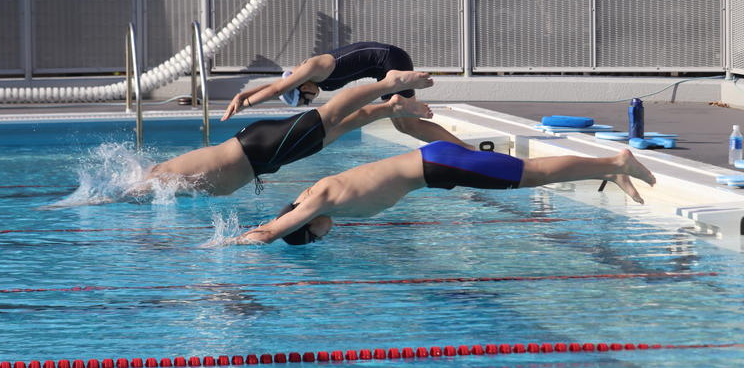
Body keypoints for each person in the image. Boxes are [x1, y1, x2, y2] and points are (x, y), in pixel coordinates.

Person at [235, 141, 657, 245]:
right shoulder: (324, 198)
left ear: (307, 224)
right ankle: (608, 169)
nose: (323, 236)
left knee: (531, 175)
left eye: (313, 236)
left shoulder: (318, 201)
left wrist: (230, 242)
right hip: (435, 168)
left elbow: (271, 232)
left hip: (437, 165)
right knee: (529, 176)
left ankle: (614, 162)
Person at [124, 70, 437, 198]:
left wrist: (106, 199)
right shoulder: (161, 175)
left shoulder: (154, 180)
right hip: (261, 155)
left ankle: (389, 84)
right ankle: (391, 107)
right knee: (335, 129)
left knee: (329, 117)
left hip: (257, 149)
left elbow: (132, 191)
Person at [221, 42, 473, 150]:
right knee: (406, 126)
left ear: (299, 86)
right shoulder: (304, 76)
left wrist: (245, 106)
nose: (310, 100)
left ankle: (465, 149)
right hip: (383, 69)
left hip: (390, 60)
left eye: (305, 99)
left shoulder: (314, 67)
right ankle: (463, 148)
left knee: (408, 124)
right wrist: (243, 95)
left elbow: (278, 89)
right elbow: (279, 85)